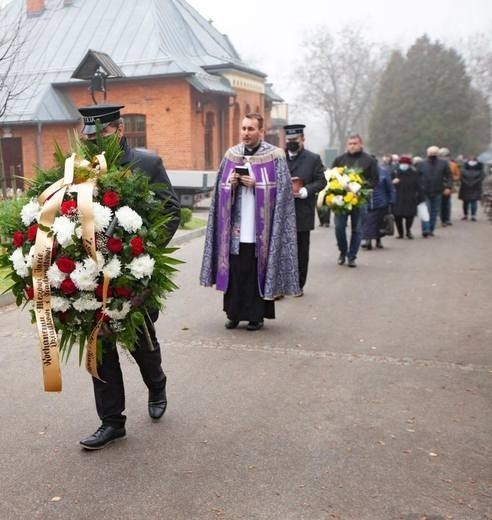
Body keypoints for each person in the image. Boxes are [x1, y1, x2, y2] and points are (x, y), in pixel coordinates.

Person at [75, 103, 181, 451]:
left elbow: (170, 210)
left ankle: (157, 382)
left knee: (140, 339)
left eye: (101, 133)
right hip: (92, 275)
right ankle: (111, 421)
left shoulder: (146, 163)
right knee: (100, 339)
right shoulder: (80, 169)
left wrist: (143, 253)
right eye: (88, 134)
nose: (93, 141)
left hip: (135, 272)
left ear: (118, 130)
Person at [200, 113, 300, 331]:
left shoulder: (275, 156)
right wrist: (231, 184)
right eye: (243, 128)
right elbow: (219, 190)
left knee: (256, 268)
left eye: (251, 129)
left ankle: (256, 316)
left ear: (261, 132)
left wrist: (258, 185)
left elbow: (283, 193)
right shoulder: (231, 155)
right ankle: (233, 314)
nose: (246, 133)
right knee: (236, 269)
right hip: (235, 225)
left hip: (260, 228)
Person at [284, 123, 326, 293]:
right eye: (288, 140)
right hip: (282, 211)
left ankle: (298, 284)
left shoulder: (313, 159)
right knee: (283, 249)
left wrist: (305, 190)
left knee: (301, 250)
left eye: (294, 139)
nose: (291, 143)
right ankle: (282, 283)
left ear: (302, 139)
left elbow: (322, 181)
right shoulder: (278, 157)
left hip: (302, 210)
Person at [331, 134, 378, 267]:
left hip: (360, 199)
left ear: (361, 144)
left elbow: (375, 179)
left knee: (357, 229)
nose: (352, 146)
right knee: (339, 227)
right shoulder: (340, 159)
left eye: (355, 143)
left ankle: (352, 256)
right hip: (341, 199)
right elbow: (331, 177)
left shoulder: (369, 160)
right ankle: (342, 251)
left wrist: (360, 188)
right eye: (350, 143)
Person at [416, 145, 452, 237]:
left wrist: (448, 187)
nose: (432, 154)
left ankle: (431, 229)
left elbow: (449, 176)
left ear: (438, 153)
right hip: (424, 191)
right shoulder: (421, 164)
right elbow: (416, 177)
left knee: (434, 211)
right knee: (425, 210)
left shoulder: (443, 163)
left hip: (438, 190)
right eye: (431, 153)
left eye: (434, 153)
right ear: (427, 153)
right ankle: (426, 229)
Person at [362, 160, 395, 250]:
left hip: (381, 202)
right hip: (366, 202)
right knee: (367, 222)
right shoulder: (363, 172)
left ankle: (378, 240)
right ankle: (368, 240)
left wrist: (392, 200)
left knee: (379, 223)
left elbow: (390, 187)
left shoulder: (383, 172)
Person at [391, 155, 422, 239]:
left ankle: (408, 230)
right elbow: (388, 185)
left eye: (405, 163)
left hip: (410, 198)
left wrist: (419, 197)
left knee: (410, 216)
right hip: (398, 198)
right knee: (397, 216)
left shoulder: (414, 173)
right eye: (402, 163)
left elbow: (418, 186)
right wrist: (392, 182)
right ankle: (400, 233)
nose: (403, 165)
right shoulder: (394, 172)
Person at [459, 157, 485, 221]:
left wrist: (465, 182)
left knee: (465, 202)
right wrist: (476, 182)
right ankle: (473, 216)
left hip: (465, 187)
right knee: (474, 201)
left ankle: (465, 215)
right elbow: (482, 177)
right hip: (476, 187)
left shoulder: (464, 169)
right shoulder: (479, 169)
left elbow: (461, 177)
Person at [438, 147, 459, 226]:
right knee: (440, 203)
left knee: (447, 203)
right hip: (439, 186)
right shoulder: (438, 164)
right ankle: (442, 218)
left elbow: (457, 176)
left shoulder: (453, 165)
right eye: (442, 155)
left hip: (449, 186)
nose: (444, 157)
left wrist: (452, 178)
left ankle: (447, 218)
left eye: (446, 155)